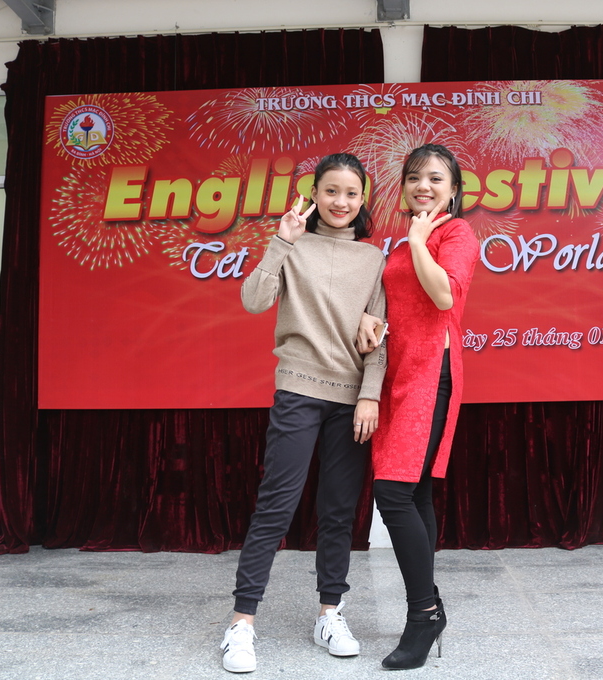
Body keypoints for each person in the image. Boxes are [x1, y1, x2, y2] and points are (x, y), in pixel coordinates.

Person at [220, 153, 387, 674]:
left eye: (351, 193)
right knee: (276, 505)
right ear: (313, 194)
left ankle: (330, 614)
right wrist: (281, 241)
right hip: (298, 388)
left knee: (338, 511)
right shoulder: (293, 245)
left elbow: (379, 336)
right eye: (331, 191)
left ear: (363, 199)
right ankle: (241, 624)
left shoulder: (374, 259)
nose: (341, 201)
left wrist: (371, 393)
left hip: (351, 400)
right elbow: (253, 300)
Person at [360, 144, 479, 670]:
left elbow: (444, 297)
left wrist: (416, 240)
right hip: (398, 375)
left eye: (434, 178)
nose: (422, 186)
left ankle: (423, 613)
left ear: (453, 189)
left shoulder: (456, 234)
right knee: (417, 492)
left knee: (392, 493)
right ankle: (429, 607)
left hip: (432, 375)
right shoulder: (403, 242)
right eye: (413, 177)